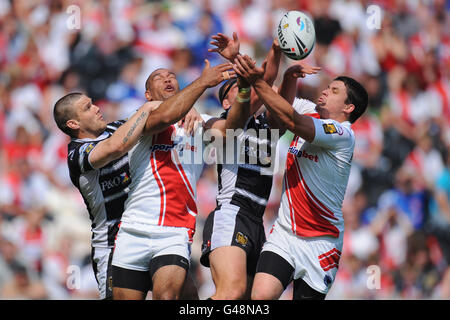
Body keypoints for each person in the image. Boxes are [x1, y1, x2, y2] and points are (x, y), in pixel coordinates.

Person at [52, 60, 224, 299]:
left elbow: (161, 116)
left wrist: (185, 109)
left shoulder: (116, 128)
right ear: (74, 123)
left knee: (186, 295)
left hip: (154, 226)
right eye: (88, 107)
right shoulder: (77, 155)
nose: (97, 108)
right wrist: (159, 105)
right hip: (113, 243)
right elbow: (117, 146)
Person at [232, 54, 368, 300]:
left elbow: (289, 119)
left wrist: (258, 81)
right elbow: (274, 98)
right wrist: (277, 74)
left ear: (348, 108)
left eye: (334, 91)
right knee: (259, 298)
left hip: (321, 242)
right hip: (285, 232)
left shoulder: (342, 134)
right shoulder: (310, 110)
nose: (326, 91)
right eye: (327, 86)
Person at [199, 33, 320, 299]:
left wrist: (287, 74)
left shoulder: (266, 126)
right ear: (226, 102)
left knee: (249, 301)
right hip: (232, 212)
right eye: (236, 87)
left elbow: (282, 108)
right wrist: (274, 52)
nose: (247, 90)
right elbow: (258, 90)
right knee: (231, 293)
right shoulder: (218, 123)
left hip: (257, 220)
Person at [110, 60, 241, 300]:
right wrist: (203, 83)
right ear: (147, 94)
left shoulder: (199, 121)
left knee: (168, 296)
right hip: (133, 227)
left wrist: (245, 90)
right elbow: (165, 115)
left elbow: (230, 129)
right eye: (159, 77)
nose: (168, 78)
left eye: (171, 75)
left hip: (174, 230)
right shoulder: (139, 119)